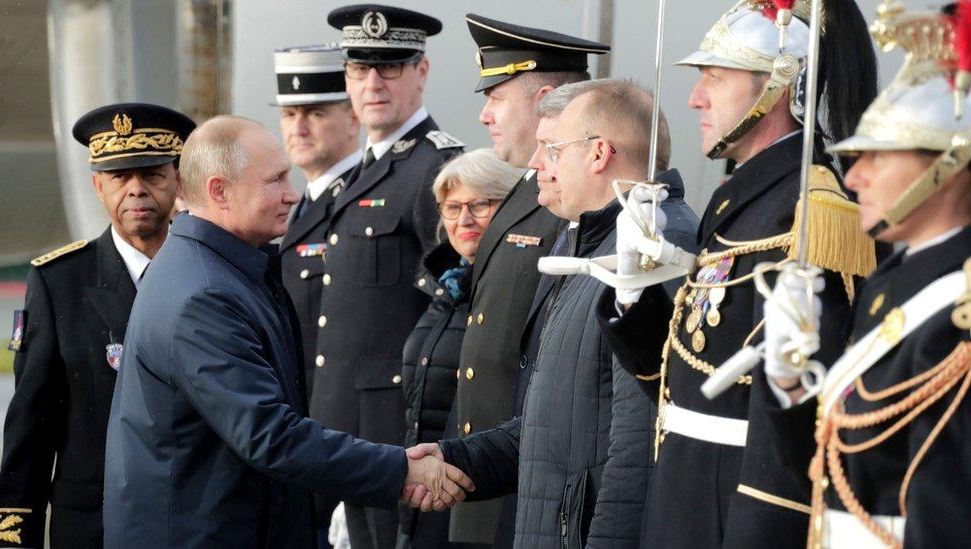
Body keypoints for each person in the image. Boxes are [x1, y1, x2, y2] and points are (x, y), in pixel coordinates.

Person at [102, 116, 473, 549]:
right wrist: (399, 470)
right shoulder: (202, 294)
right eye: (275, 180)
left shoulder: (227, 270)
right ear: (219, 191)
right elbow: (268, 434)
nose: (291, 194)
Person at [596, 2, 879, 547]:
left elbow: (799, 426)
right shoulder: (743, 200)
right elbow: (694, 377)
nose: (695, 98)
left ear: (778, 88)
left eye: (715, 79)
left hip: (737, 513)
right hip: (688, 494)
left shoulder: (810, 210)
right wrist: (634, 297)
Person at [410, 79, 697, 548]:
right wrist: (453, 459)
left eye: (553, 149)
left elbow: (639, 447)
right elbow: (558, 424)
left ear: (599, 153)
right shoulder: (594, 244)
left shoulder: (653, 247)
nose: (538, 164)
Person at [761, 4, 971, 547]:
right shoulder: (894, 280)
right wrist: (789, 380)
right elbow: (823, 468)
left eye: (877, 155)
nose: (853, 176)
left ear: (947, 166)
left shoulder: (959, 314)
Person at [0, 103, 194, 548]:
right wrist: (12, 536)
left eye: (152, 175)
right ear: (98, 186)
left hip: (202, 526)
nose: (137, 191)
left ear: (179, 180)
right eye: (121, 178)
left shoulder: (214, 273)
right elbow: (31, 425)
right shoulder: (58, 283)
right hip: (94, 529)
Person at [452, 15, 608, 546]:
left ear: (543, 99)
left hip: (533, 486)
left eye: (495, 96)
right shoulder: (525, 189)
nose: (484, 114)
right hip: (490, 476)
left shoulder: (576, 199)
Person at [313, 6, 464, 548]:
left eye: (392, 67)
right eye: (360, 68)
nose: (374, 82)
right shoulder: (359, 173)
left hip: (394, 432)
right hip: (342, 424)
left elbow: (456, 304)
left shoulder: (438, 171)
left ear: (422, 72)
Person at [399, 148, 521, 548]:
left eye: (480, 204)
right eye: (452, 208)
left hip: (479, 492)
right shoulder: (445, 287)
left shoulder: (517, 290)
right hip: (424, 493)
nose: (463, 220)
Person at [272, 43, 361, 548]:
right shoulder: (292, 207)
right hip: (299, 441)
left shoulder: (362, 200)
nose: (299, 127)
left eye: (315, 112)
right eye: (289, 113)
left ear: (352, 117)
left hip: (343, 439)